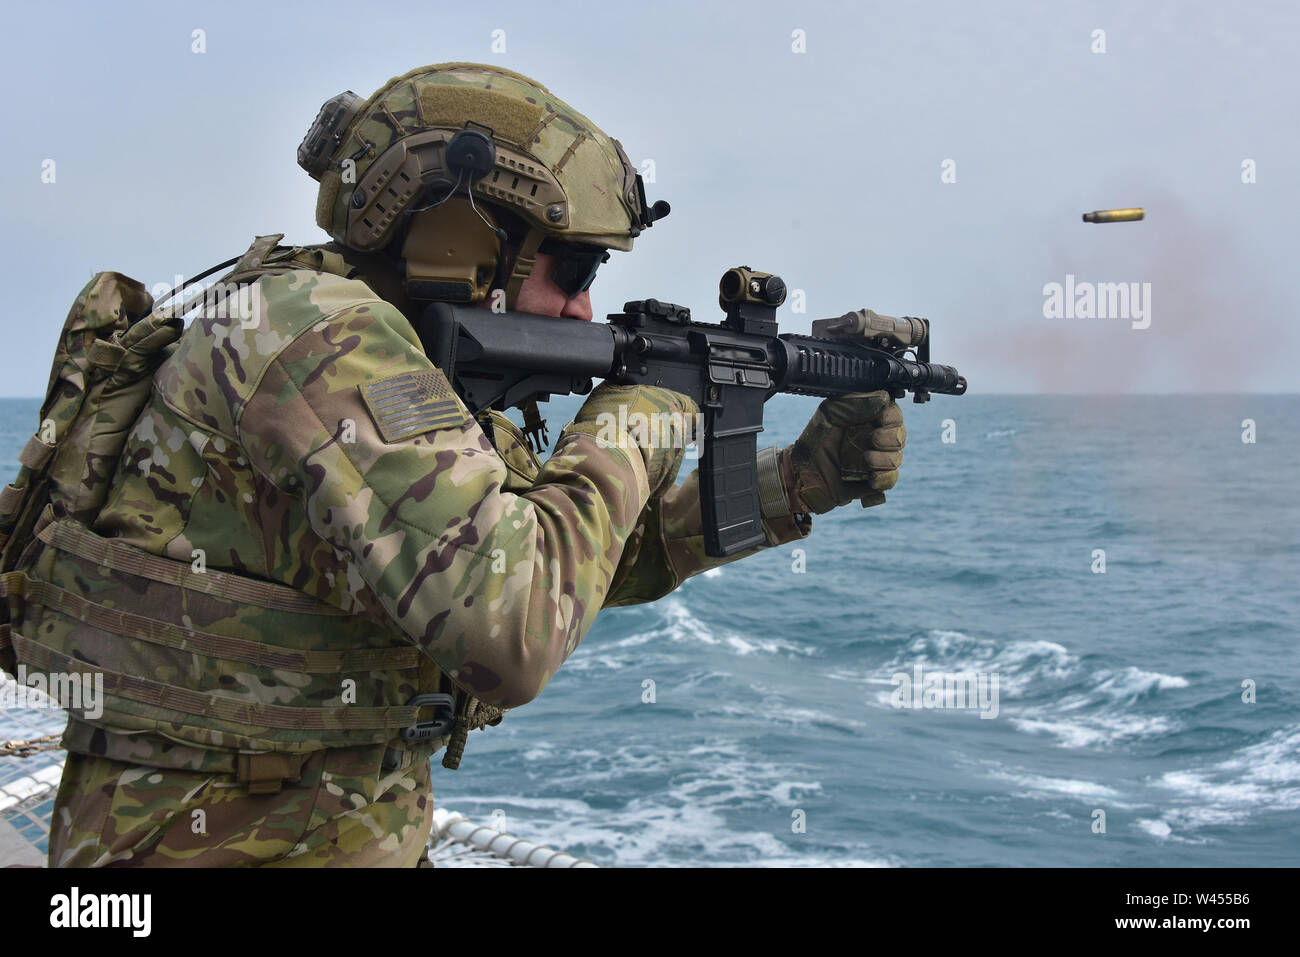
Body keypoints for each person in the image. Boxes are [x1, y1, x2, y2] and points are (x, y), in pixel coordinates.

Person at [21, 62, 905, 867]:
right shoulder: (315, 335)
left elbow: (588, 562)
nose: (586, 305)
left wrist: (797, 482)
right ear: (466, 237)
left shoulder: (401, 361)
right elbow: (511, 626)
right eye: (575, 264)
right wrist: (648, 413)